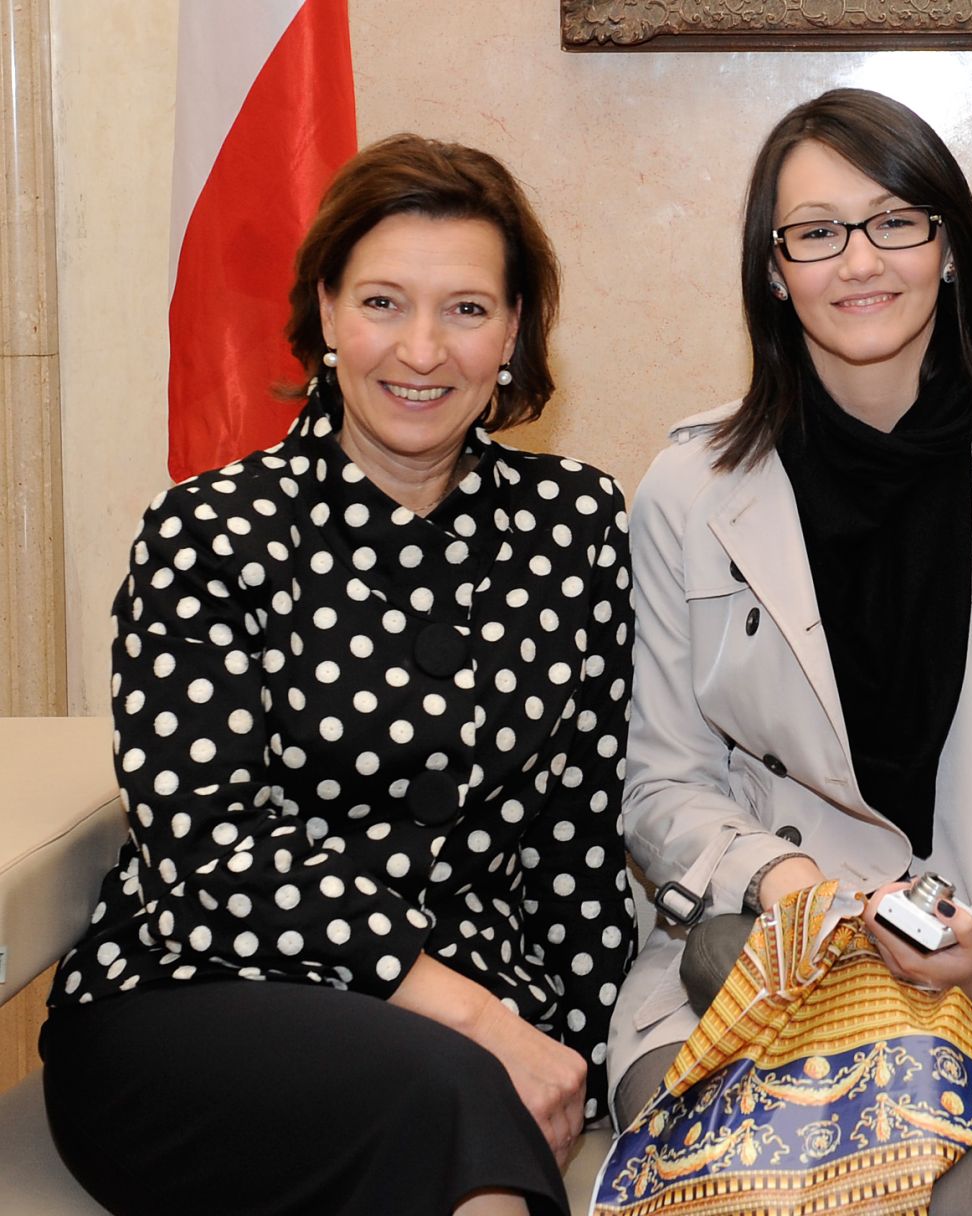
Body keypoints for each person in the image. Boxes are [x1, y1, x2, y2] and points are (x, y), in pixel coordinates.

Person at [40, 134, 636, 1216]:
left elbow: (574, 839)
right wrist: (477, 1022)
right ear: (323, 312)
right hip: (200, 997)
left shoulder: (575, 524)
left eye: (465, 308)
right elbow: (207, 844)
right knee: (453, 1095)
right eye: (380, 302)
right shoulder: (209, 532)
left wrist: (578, 1058)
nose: (420, 350)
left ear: (514, 330)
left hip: (481, 1019)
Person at [607, 87, 972, 1212]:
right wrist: (785, 882)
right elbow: (661, 780)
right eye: (816, 232)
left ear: (948, 248)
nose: (859, 260)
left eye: (896, 220)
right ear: (773, 268)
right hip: (748, 976)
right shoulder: (687, 489)